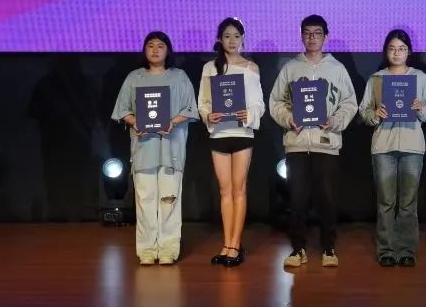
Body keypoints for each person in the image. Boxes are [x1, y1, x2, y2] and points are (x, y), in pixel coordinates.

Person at [269, 15, 357, 268]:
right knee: (297, 199)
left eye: (317, 33)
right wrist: (289, 119)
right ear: (301, 36)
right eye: (307, 33)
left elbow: (349, 103)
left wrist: (335, 121)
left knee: (327, 199)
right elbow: (276, 102)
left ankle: (329, 247)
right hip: (297, 142)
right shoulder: (290, 68)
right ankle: (298, 249)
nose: (312, 37)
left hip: (326, 143)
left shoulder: (337, 69)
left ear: (325, 37)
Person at [111, 31, 198, 265]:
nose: (156, 49)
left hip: (171, 149)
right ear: (144, 50)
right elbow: (122, 110)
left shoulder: (179, 77)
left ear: (168, 50)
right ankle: (147, 250)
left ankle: (168, 249)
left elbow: (191, 109)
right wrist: (135, 122)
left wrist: (173, 122)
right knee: (145, 200)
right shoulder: (135, 77)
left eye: (161, 45)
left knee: (169, 200)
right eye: (151, 45)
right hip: (144, 149)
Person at [359, 29, 426, 267]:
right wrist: (376, 114)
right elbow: (364, 111)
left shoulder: (419, 78)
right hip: (383, 146)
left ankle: (406, 250)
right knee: (386, 201)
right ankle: (386, 250)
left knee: (408, 202)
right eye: (392, 49)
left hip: (412, 146)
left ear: (408, 52)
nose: (396, 53)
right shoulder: (376, 79)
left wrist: (420, 108)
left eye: (401, 49)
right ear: (386, 51)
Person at [198, 18, 265, 267]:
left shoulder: (251, 67)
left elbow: (259, 104)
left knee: (239, 189)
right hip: (219, 133)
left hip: (242, 133)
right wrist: (208, 115)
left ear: (243, 38)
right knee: (225, 191)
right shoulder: (210, 68)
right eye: (227, 36)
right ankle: (226, 244)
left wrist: (250, 114)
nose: (232, 40)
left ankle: (236, 245)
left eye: (236, 36)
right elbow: (203, 102)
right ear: (219, 39)